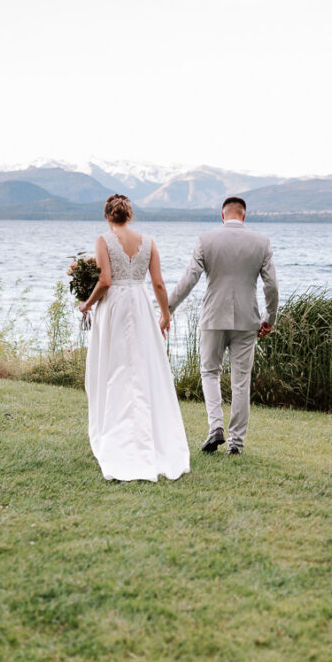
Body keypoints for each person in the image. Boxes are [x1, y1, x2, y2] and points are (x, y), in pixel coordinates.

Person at [79, 194, 190, 482]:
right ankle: (147, 436)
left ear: (107, 216)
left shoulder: (103, 240)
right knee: (141, 368)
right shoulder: (149, 242)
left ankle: (118, 438)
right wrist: (165, 314)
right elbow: (158, 284)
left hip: (114, 308)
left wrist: (87, 304)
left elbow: (105, 281)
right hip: (140, 307)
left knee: (115, 367)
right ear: (131, 216)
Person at [168, 196, 279, 456]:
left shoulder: (206, 240)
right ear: (244, 215)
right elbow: (272, 286)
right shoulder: (261, 242)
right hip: (247, 320)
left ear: (222, 215)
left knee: (209, 372)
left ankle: (215, 427)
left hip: (213, 317)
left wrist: (168, 307)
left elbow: (189, 279)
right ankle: (236, 443)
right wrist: (270, 318)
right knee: (241, 381)